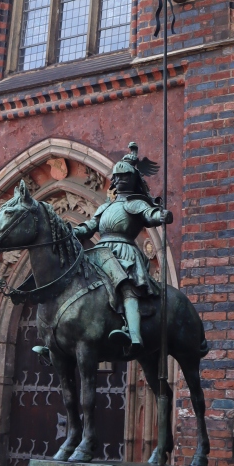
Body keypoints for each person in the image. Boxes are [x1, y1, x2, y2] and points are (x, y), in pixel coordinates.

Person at [72, 143, 171, 358]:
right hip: (100, 252)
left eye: (126, 176)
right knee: (77, 284)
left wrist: (160, 216)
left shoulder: (135, 204)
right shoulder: (105, 207)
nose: (122, 180)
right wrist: (73, 231)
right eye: (118, 177)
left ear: (134, 180)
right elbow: (90, 227)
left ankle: (134, 334)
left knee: (127, 288)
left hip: (124, 251)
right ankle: (61, 337)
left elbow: (149, 215)